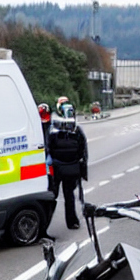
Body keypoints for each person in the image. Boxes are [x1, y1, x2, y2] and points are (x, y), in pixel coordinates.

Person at [46, 96, 88, 230]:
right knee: (69, 195)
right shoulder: (75, 129)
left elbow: (48, 147)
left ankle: (44, 226)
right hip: (72, 167)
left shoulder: (53, 128)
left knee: (52, 197)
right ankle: (72, 222)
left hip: (57, 167)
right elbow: (83, 150)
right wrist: (81, 166)